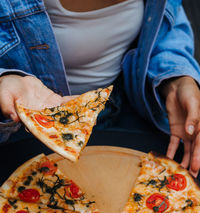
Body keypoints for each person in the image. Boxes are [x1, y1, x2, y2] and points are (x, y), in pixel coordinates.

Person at [0, 0, 200, 176]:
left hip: (130, 105)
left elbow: (166, 23)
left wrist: (176, 78)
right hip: (22, 128)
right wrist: (4, 78)